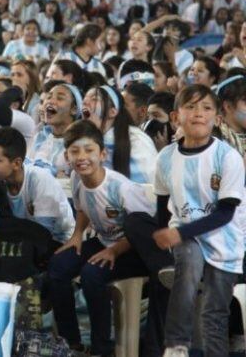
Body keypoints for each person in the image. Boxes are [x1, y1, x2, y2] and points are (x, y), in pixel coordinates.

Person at [48, 120, 154, 356]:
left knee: (91, 274)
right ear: (67, 156)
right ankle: (72, 342)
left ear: (102, 154)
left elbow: (146, 231)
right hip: (104, 241)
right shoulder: (77, 179)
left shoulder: (121, 188)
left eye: (89, 150)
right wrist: (77, 235)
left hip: (134, 249)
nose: (82, 157)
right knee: (58, 266)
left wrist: (114, 251)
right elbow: (83, 208)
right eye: (74, 151)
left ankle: (102, 348)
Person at [153, 85, 245, 357]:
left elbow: (226, 213)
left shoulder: (227, 157)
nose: (198, 114)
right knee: (190, 261)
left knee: (213, 315)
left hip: (224, 238)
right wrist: (169, 234)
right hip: (186, 235)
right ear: (175, 117)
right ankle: (176, 345)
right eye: (190, 107)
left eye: (206, 108)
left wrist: (179, 233)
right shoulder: (165, 158)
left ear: (217, 118)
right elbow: (162, 204)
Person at [0, 127, 75, 243]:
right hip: (22, 241)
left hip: (59, 241)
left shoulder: (40, 179)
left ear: (16, 163)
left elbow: (43, 234)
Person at [81, 85, 158, 184]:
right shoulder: (83, 141)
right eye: (85, 99)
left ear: (112, 112)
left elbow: (151, 186)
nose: (85, 102)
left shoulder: (136, 140)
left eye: (94, 99)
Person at [31, 82, 83, 177]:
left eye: (60, 98)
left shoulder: (80, 142)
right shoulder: (40, 137)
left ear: (74, 109)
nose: (50, 101)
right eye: (49, 97)